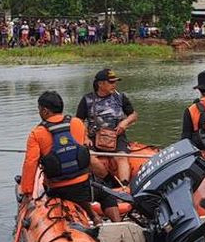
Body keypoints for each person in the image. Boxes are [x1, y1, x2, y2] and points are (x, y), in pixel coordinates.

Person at [19, 91, 122, 225]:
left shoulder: (36, 133)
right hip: (82, 186)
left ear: (44, 110)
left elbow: (30, 164)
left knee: (74, 189)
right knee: (107, 195)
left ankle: (94, 217)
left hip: (57, 190)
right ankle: (118, 226)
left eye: (39, 109)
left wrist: (27, 193)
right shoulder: (77, 124)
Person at [76, 68, 138, 199]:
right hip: (94, 137)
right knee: (89, 157)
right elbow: (79, 121)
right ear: (100, 84)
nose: (114, 85)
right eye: (111, 82)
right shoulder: (87, 99)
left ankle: (125, 187)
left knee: (121, 157)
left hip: (117, 136)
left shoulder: (121, 98)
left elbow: (133, 115)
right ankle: (110, 181)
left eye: (115, 82)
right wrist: (85, 136)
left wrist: (124, 123)